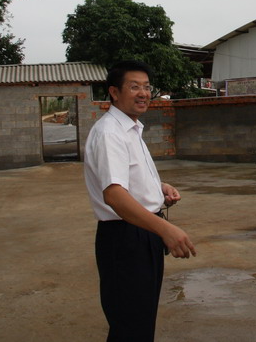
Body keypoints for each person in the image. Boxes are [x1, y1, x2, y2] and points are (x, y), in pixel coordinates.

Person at [84, 60, 197, 342]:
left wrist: (158, 189)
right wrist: (166, 229)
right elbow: (114, 195)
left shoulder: (131, 128)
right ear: (114, 92)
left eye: (146, 87)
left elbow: (127, 180)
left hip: (141, 233)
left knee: (139, 320)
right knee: (131, 325)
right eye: (134, 87)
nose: (143, 93)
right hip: (125, 237)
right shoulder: (110, 132)